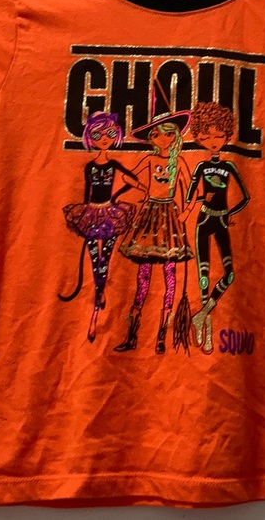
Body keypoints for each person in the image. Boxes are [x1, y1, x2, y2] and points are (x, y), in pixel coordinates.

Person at [61, 111, 146, 342]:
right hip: (91, 213)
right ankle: (100, 292)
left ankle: (95, 311)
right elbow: (87, 192)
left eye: (109, 133)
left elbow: (130, 178)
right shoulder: (89, 166)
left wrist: (137, 189)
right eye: (98, 135)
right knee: (94, 261)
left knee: (104, 261)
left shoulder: (114, 164)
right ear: (90, 137)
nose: (104, 138)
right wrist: (82, 217)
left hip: (110, 214)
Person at [115, 111, 194, 354]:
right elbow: (127, 177)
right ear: (152, 138)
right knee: (143, 277)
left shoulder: (179, 163)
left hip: (170, 218)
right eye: (158, 135)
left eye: (169, 134)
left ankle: (161, 336)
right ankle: (132, 335)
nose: (164, 139)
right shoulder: (150, 160)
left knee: (170, 275)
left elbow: (191, 190)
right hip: (150, 216)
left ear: (175, 136)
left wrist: (186, 212)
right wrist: (142, 188)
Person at [179, 102, 250, 354]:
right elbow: (190, 197)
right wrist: (200, 200)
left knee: (229, 274)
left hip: (221, 221)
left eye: (218, 136)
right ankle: (206, 333)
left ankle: (202, 314)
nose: (213, 141)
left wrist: (230, 213)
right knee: (204, 278)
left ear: (227, 136)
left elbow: (246, 197)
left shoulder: (229, 166)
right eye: (207, 136)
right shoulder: (200, 167)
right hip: (203, 220)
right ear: (199, 137)